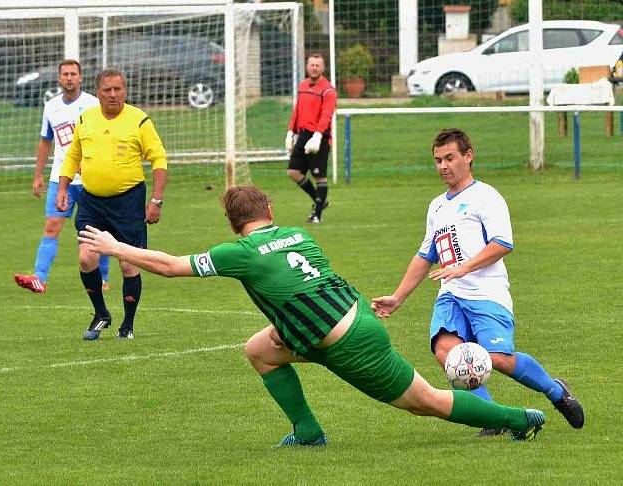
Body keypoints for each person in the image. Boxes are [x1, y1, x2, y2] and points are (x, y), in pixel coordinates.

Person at [78, 185, 546, 446]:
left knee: (426, 402)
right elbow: (299, 287)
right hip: (348, 316)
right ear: (270, 210)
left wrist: (115, 246)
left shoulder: (240, 251)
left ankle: (518, 418)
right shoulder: (298, 235)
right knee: (259, 350)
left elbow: (170, 266)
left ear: (233, 223)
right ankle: (307, 431)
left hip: (349, 342)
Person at [372, 128, 584, 436]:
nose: (443, 166)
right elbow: (425, 255)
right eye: (437, 160)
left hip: (487, 293)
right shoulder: (436, 206)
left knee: (496, 358)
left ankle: (555, 391)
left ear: (468, 156)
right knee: (448, 354)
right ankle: (493, 419)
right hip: (451, 295)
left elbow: (502, 243)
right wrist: (399, 296)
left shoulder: (486, 196)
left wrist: (463, 268)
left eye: (450, 158)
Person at [57, 68, 167, 341]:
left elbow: (159, 160)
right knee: (85, 258)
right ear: (98, 93)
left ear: (125, 91)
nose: (113, 94)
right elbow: (73, 156)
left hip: (128, 203)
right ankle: (101, 314)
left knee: (129, 263)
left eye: (118, 89)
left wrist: (156, 200)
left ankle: (127, 326)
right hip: (91, 202)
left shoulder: (139, 120)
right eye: (107, 90)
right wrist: (62, 187)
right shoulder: (86, 118)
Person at [14, 59, 110, 293]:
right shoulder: (51, 107)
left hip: (90, 179)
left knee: (95, 231)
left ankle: (104, 278)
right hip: (61, 179)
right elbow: (46, 141)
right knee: (52, 225)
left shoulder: (93, 105)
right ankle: (39, 277)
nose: (69, 77)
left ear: (80, 78)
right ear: (59, 79)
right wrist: (38, 176)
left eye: (73, 73)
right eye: (65, 73)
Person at [285, 53, 336, 224]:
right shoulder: (302, 86)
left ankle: (317, 214)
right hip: (303, 134)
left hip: (319, 136)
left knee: (319, 176)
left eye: (318, 65)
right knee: (293, 172)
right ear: (307, 66)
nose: (314, 68)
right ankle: (320, 200)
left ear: (323, 68)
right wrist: (290, 132)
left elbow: (326, 115)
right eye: (312, 65)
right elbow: (297, 110)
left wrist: (318, 135)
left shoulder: (328, 90)